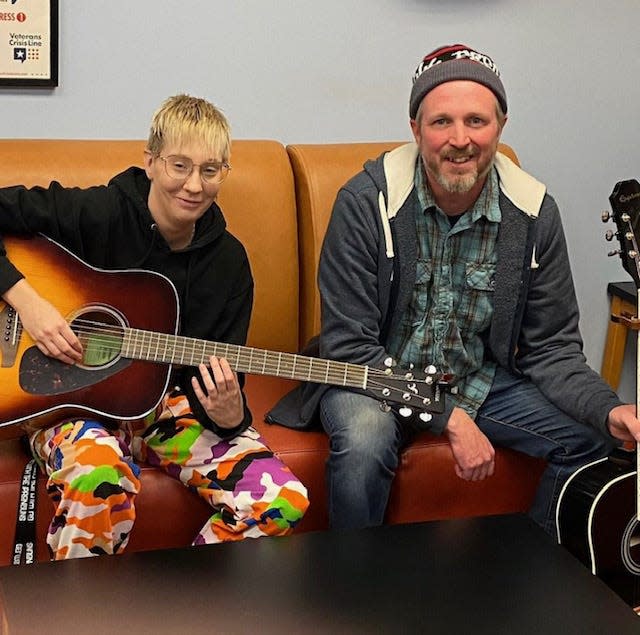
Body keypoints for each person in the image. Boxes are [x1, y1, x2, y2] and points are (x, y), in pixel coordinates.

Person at [270, 44, 640, 536]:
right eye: (441, 121)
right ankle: (354, 596)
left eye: (476, 121)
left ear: (501, 126)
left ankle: (521, 577)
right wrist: (450, 419)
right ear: (415, 129)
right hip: (373, 378)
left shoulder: (533, 212)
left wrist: (609, 408)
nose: (460, 139)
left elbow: (552, 349)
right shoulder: (365, 202)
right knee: (364, 440)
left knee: (589, 438)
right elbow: (349, 347)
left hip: (478, 381)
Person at [0, 94, 309, 559]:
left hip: (167, 409)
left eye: (210, 170)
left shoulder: (229, 264)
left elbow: (228, 387)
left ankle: (175, 609)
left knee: (282, 501)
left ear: (225, 172)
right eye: (179, 165)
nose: (193, 185)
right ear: (150, 161)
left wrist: (230, 414)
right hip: (69, 402)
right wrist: (27, 302)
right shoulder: (99, 212)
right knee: (96, 475)